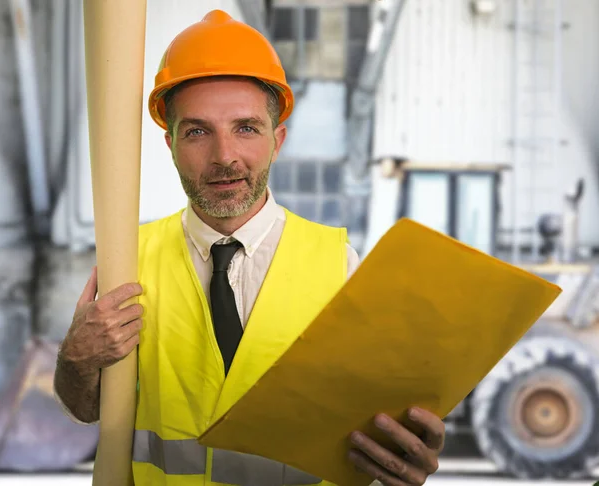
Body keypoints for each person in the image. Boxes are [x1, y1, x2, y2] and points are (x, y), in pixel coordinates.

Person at [54, 9, 445, 486]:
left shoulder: (339, 266)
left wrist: (403, 457)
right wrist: (75, 361)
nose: (224, 157)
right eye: (197, 131)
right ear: (170, 144)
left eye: (246, 128)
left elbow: (372, 431)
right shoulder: (127, 261)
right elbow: (89, 410)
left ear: (276, 140)